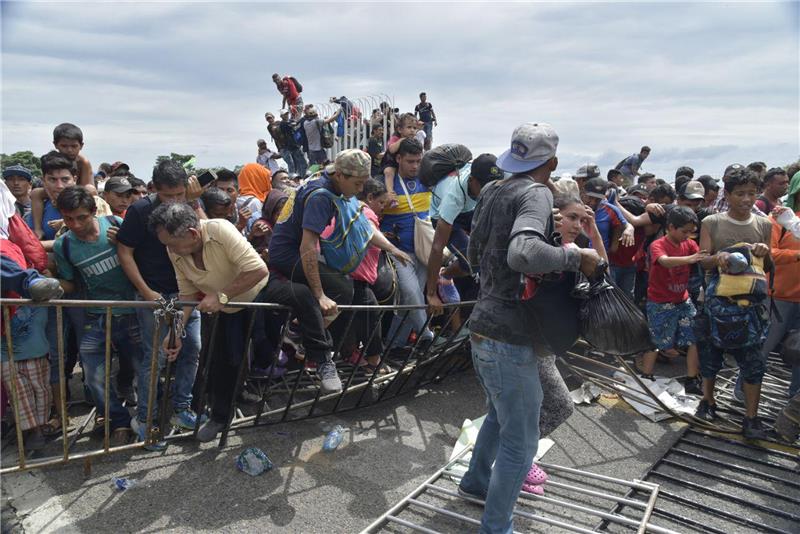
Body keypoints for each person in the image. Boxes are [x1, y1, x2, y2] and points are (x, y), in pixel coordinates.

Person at [459, 122, 602, 533]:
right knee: (521, 446)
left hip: (483, 326)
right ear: (552, 163)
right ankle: (496, 527)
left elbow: (474, 250)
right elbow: (523, 253)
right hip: (511, 336)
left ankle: (475, 482)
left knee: (497, 415)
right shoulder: (537, 193)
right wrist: (575, 255)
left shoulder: (491, 191)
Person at [269, 150, 410, 392]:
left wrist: (391, 248)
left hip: (305, 251)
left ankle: (311, 336)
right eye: (357, 184)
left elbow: (362, 224)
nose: (360, 189)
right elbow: (307, 247)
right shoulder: (320, 196)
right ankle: (301, 335)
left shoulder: (337, 185)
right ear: (341, 175)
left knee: (356, 294)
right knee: (341, 291)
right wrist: (320, 293)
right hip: (289, 255)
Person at [149, 202, 269, 442]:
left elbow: (258, 270)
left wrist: (221, 296)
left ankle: (270, 399)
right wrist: (175, 332)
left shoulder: (220, 229)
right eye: (166, 244)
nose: (169, 250)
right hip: (227, 309)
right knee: (222, 362)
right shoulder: (174, 249)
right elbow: (186, 295)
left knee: (266, 354)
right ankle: (220, 417)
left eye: (172, 243)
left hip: (260, 300)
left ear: (192, 234)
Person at [116, 160, 204, 449]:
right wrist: (145, 291)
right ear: (154, 189)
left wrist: (194, 201)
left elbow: (204, 240)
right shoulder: (140, 210)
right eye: (169, 196)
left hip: (187, 294)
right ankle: (146, 420)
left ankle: (181, 409)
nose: (175, 202)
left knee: (191, 348)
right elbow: (125, 253)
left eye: (180, 195)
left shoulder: (189, 207)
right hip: (154, 296)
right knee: (154, 358)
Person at [53, 186, 138, 445]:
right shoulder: (64, 245)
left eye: (81, 217)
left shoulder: (117, 225)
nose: (75, 224)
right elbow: (68, 283)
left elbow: (143, 259)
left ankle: (149, 417)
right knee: (93, 376)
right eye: (68, 219)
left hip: (133, 312)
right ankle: (118, 420)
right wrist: (50, 283)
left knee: (142, 368)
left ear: (93, 212)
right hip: (96, 316)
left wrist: (123, 243)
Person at [695, 167, 772, 439]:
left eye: (752, 193)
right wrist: (718, 258)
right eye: (740, 194)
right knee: (710, 355)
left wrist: (763, 251)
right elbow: (702, 259)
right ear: (727, 195)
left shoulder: (764, 225)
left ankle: (751, 418)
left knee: (753, 363)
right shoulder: (712, 222)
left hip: (750, 309)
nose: (747, 199)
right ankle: (708, 401)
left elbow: (768, 266)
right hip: (716, 303)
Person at [636, 207, 706, 394]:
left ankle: (692, 378)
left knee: (694, 338)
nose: (687, 236)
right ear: (670, 227)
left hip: (682, 300)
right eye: (684, 231)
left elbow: (702, 257)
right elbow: (665, 261)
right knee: (656, 341)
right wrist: (690, 259)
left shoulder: (689, 244)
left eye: (691, 232)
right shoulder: (658, 245)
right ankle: (646, 376)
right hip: (660, 302)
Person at [426, 154, 503, 314]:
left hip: (471, 208)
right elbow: (437, 247)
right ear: (471, 180)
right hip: (444, 215)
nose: (489, 191)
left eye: (494, 186)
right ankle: (444, 276)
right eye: (484, 187)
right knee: (471, 262)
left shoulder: (503, 175)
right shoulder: (453, 196)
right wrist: (431, 294)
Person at [379, 139, 435, 352]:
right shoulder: (385, 184)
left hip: (423, 250)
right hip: (398, 251)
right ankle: (426, 334)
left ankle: (394, 346)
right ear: (399, 159)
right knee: (412, 294)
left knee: (410, 302)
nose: (415, 166)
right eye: (410, 161)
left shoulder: (428, 180)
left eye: (419, 161)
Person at [1, 239, 51, 453]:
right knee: (17, 389)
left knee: (40, 387)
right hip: (5, 349)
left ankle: (40, 425)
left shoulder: (34, 287)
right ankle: (33, 430)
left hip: (34, 348)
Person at [381, 113, 419, 208]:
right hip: (390, 162)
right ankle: (391, 193)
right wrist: (402, 140)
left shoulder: (413, 140)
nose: (412, 130)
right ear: (400, 129)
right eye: (409, 127)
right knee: (389, 172)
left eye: (414, 128)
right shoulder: (396, 138)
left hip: (402, 165)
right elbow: (392, 149)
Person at [236, 163, 272, 234]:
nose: (269, 181)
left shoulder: (237, 197)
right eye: (265, 178)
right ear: (259, 179)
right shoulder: (254, 202)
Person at [278, 109, 308, 177]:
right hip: (293, 146)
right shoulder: (283, 124)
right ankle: (302, 177)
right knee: (302, 163)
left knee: (298, 164)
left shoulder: (288, 122)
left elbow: (294, 122)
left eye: (287, 114)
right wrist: (302, 118)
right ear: (281, 116)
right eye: (284, 114)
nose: (286, 115)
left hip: (294, 146)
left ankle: (300, 177)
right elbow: (295, 124)